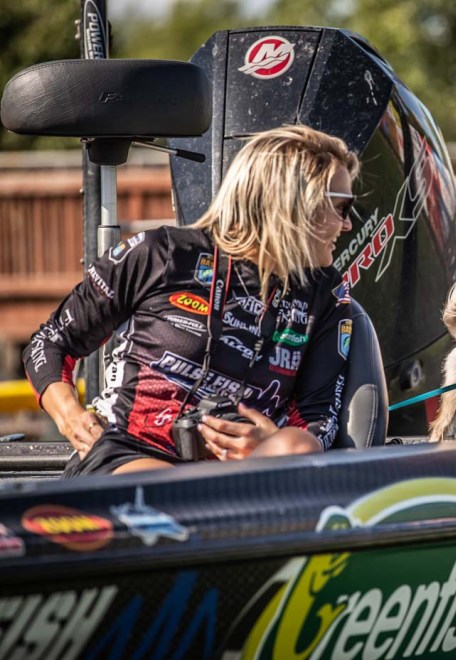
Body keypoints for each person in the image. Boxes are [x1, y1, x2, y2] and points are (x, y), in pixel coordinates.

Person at [25, 124, 361, 476]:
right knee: (158, 483)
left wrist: (269, 444)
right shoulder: (163, 254)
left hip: (244, 474)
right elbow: (50, 343)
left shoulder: (327, 295)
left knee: (294, 447)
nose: (348, 225)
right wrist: (73, 419)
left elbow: (318, 417)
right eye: (342, 207)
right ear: (293, 202)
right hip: (127, 453)